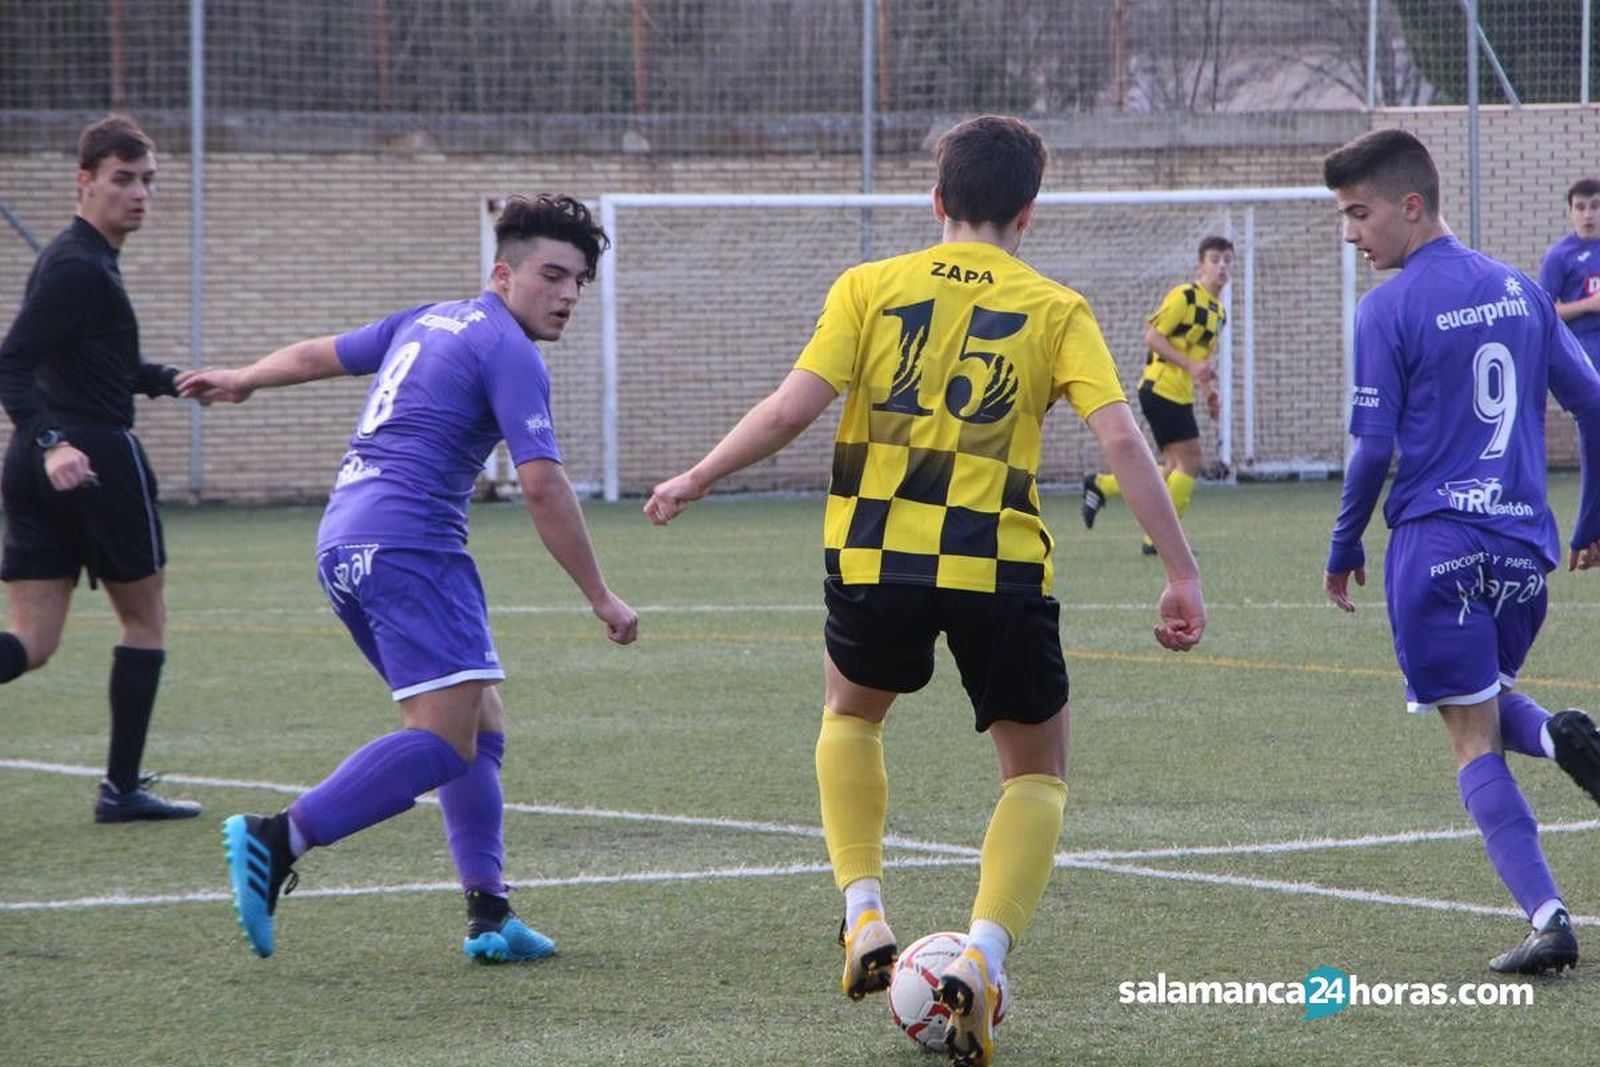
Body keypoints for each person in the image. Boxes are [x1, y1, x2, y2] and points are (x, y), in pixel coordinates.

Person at [644, 116, 1206, 1067]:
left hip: (874, 560)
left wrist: (697, 476)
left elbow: (790, 409)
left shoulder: (868, 287)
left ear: (936, 199)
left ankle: (864, 912)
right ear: (1030, 210)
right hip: (999, 568)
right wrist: (1181, 570)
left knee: (851, 717)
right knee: (1035, 774)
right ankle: (980, 959)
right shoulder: (1055, 306)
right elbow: (1119, 440)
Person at [179, 194, 639, 961]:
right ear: (504, 273)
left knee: (479, 724)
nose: (568, 295)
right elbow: (542, 484)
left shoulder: (424, 319)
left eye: (580, 281)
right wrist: (600, 594)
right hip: (410, 543)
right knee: (441, 740)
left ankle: (490, 914)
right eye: (552, 275)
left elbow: (321, 354)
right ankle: (278, 836)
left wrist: (246, 377)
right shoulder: (509, 350)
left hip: (343, 541)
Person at [1321, 129, 1600, 976]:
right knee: (1483, 696)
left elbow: (1372, 448)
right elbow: (1593, 402)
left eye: (1358, 212)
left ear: (1411, 205)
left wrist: (1342, 545)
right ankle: (1559, 737)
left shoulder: (1388, 307)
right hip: (1522, 549)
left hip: (1435, 543)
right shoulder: (1521, 289)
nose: (1350, 232)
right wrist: (1590, 519)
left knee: (1469, 735)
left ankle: (1548, 914)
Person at [0, 114, 201, 823]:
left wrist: (170, 377)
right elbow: (12, 361)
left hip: (32, 462)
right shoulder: (81, 268)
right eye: (123, 179)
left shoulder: (74, 259)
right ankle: (121, 789)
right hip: (91, 458)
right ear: (84, 182)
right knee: (146, 620)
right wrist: (56, 440)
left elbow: (94, 365)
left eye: (148, 180)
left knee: (32, 643)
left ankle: (123, 787)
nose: (139, 193)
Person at [1080, 236, 1233, 555]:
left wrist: (1209, 393)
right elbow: (1153, 337)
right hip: (1159, 388)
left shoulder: (1218, 312)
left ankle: (1102, 485)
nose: (1222, 266)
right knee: (1191, 462)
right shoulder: (1185, 297)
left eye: (1227, 260)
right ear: (1200, 265)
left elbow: (1199, 360)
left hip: (1179, 394)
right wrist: (1191, 366)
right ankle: (1158, 542)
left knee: (1170, 468)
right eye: (1215, 259)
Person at [1537, 177, 1600, 369]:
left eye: (1595, 206)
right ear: (1571, 212)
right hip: (1583, 353)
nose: (1588, 215)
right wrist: (1588, 305)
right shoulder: (1559, 255)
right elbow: (1543, 312)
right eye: (1580, 208)